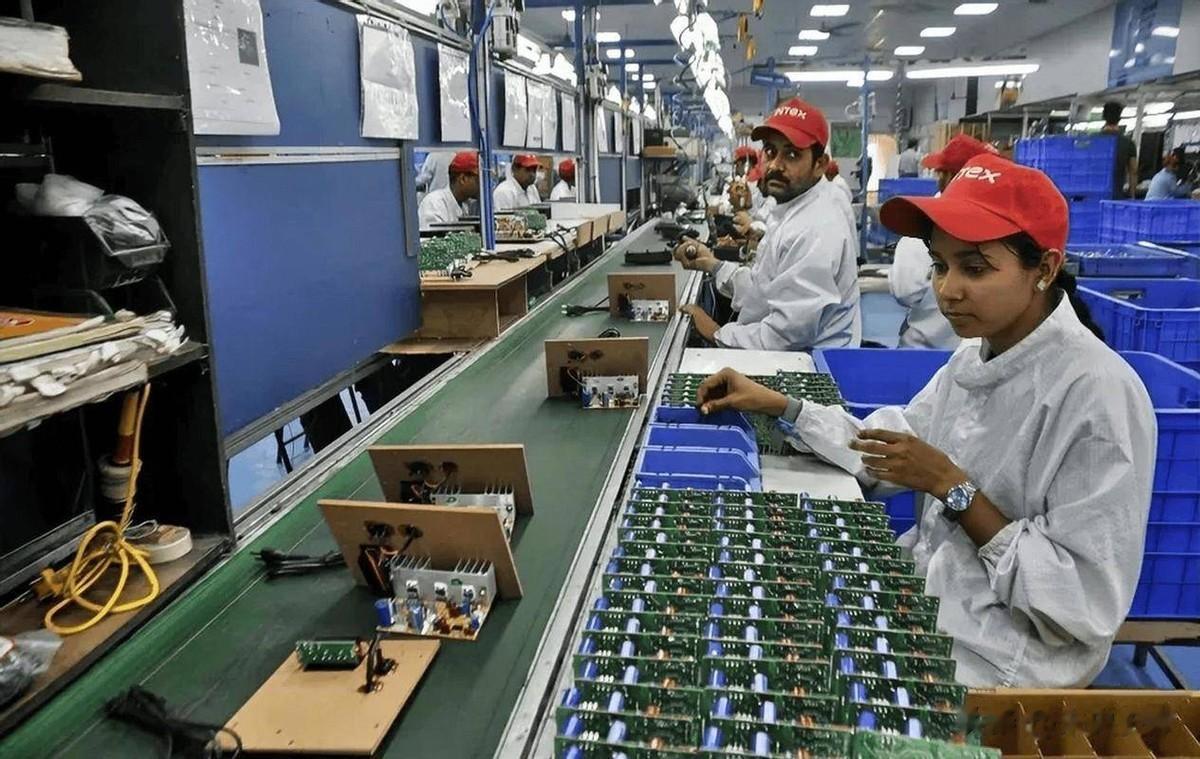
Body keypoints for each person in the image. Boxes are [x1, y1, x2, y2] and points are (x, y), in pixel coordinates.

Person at [693, 153, 1155, 689]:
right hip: (932, 600)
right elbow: (893, 447)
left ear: (1045, 270)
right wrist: (784, 408)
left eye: (974, 269)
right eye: (940, 264)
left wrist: (953, 489)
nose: (947, 290)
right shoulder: (974, 358)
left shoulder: (1098, 395)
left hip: (999, 662)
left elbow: (1080, 606)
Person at [673, 97, 861, 350]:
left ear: (819, 165)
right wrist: (713, 264)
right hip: (785, 353)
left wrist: (717, 333)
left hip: (808, 365)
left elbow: (787, 335)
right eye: (770, 151)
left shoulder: (816, 229)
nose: (775, 165)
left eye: (792, 154)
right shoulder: (791, 208)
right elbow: (764, 288)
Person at [890, 134, 998, 349]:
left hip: (922, 351)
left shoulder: (921, 229)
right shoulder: (1002, 229)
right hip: (978, 353)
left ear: (946, 176)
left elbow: (904, 291)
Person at [417, 151, 479, 228]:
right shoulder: (434, 204)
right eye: (478, 179)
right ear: (463, 179)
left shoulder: (465, 206)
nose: (482, 185)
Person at [1101, 101, 1138, 199]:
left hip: (1094, 195)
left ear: (1103, 117)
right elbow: (1133, 171)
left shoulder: (1093, 141)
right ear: (1119, 118)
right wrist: (1132, 196)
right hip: (1116, 196)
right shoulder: (1128, 143)